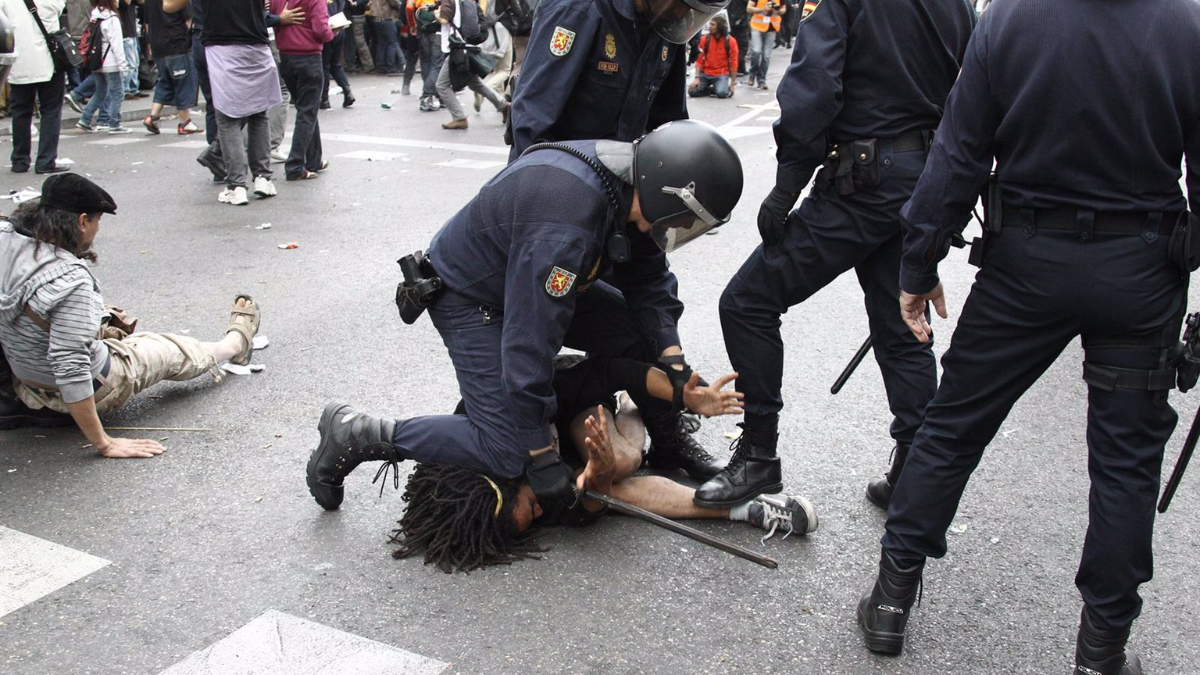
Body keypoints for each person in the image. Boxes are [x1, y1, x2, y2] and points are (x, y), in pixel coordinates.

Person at [855, 0, 1200, 671]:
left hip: (1027, 264)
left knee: (953, 425)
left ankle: (891, 602)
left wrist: (919, 264)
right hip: (1141, 267)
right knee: (1127, 462)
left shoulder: (1011, 17)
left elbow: (958, 153)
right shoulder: (1188, 24)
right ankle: (1101, 651)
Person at [306, 120, 744, 520]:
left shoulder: (624, 179)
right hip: (471, 299)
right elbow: (528, 341)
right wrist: (539, 453)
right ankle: (360, 432)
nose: (683, 227)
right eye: (686, 218)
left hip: (519, 281)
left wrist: (673, 361)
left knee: (635, 332)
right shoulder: (567, 225)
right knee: (507, 449)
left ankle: (660, 438)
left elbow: (649, 279)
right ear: (667, 194)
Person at [696, 0, 975, 509]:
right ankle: (916, 476)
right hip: (925, 174)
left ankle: (759, 456)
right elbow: (972, 84)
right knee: (902, 321)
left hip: (865, 179)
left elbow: (814, 86)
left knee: (747, 302)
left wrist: (787, 185)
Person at [386, 355, 818, 574]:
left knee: (627, 459)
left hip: (571, 402)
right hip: (569, 458)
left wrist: (677, 393)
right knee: (610, 484)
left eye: (531, 507)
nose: (541, 513)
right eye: (534, 519)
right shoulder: (515, 509)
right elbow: (588, 502)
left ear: (502, 480)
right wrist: (594, 474)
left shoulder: (495, 419)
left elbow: (612, 368)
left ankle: (638, 412)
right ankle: (749, 507)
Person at [0, 174, 263, 458]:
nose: (97, 229)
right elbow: (71, 367)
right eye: (98, 220)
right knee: (164, 349)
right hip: (90, 386)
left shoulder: (5, 238)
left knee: (99, 320)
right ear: (82, 220)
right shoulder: (68, 279)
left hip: (22, 379)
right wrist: (104, 443)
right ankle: (235, 345)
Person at [506, 0, 729, 160]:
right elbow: (531, 121)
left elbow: (670, 121)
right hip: (561, 175)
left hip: (617, 176)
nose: (681, 13)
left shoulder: (668, 21)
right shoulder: (576, 9)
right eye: (680, 4)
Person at [191, 0, 283, 205]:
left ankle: (236, 185)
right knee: (259, 115)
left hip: (222, 47)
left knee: (227, 118)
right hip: (256, 45)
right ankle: (263, 178)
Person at [1, 0, 69, 172]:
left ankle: (20, 160)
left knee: (20, 112)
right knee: (51, 111)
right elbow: (59, 7)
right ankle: (46, 161)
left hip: (19, 62)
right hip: (47, 62)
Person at [270, 0, 332, 181]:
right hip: (308, 56)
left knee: (306, 109)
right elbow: (321, 29)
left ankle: (314, 160)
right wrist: (332, 32)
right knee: (307, 112)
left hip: (286, 57)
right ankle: (295, 165)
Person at [433, 0, 508, 130]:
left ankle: (459, 118)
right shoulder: (468, 2)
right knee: (475, 84)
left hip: (456, 49)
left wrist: (436, 14)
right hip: (469, 47)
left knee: (442, 85)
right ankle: (504, 105)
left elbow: (444, 20)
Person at [141, 0, 200, 135]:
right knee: (184, 82)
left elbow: (147, 24)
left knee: (165, 81)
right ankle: (185, 122)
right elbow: (188, 21)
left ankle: (153, 116)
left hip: (157, 46)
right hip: (177, 42)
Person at [76, 0, 133, 134]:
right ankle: (114, 123)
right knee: (117, 93)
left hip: (96, 61)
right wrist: (123, 65)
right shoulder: (112, 19)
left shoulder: (95, 16)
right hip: (111, 61)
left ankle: (85, 120)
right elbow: (117, 45)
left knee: (101, 92)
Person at [687, 15, 736, 99]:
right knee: (692, 91)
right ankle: (713, 89)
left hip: (721, 74)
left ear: (720, 27)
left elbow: (734, 62)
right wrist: (696, 78)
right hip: (705, 74)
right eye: (710, 24)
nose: (709, 27)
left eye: (712, 25)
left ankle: (720, 88)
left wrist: (732, 84)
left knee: (722, 94)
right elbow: (699, 60)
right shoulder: (704, 39)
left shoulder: (730, 41)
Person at [321, 0, 355, 109]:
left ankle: (324, 99)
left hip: (328, 27)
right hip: (339, 26)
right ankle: (347, 90)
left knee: (324, 65)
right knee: (335, 64)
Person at [744, 0, 782, 90]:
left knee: (766, 56)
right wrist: (763, 8)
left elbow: (784, 9)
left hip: (772, 28)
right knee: (756, 51)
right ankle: (752, 74)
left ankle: (761, 80)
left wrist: (777, 9)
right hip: (757, 26)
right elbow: (749, 8)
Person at [370, 0, 402, 75]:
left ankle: (380, 67)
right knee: (392, 43)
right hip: (387, 18)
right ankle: (391, 67)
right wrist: (402, 5)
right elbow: (395, 3)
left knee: (381, 43)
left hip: (377, 19)